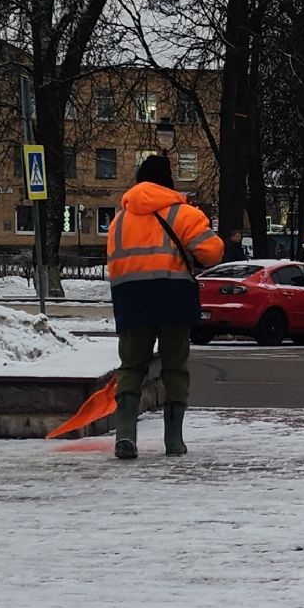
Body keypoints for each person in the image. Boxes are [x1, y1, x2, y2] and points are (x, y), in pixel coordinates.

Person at [106, 154, 224, 459]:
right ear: (168, 181)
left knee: (131, 366)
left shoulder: (119, 219)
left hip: (131, 298)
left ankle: (125, 435)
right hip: (173, 294)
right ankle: (173, 440)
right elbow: (212, 253)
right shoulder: (182, 214)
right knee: (174, 367)